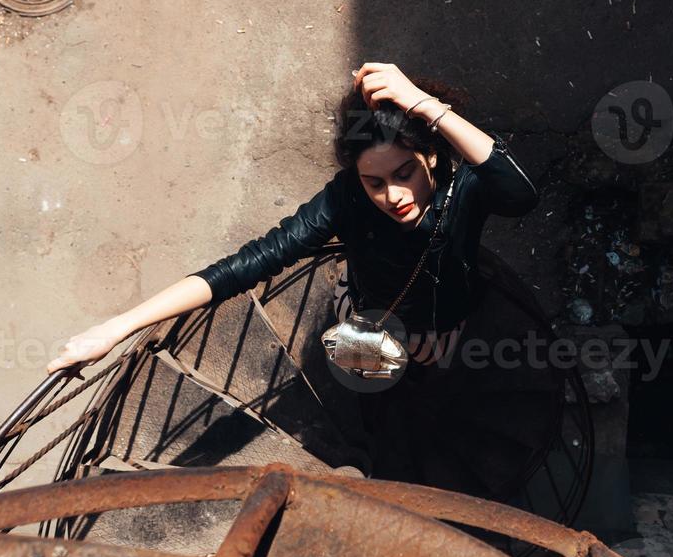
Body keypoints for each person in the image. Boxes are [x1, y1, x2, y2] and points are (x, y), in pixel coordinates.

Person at [47, 60, 540, 391]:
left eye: (404, 173)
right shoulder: (346, 198)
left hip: (447, 314)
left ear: (431, 155)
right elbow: (243, 267)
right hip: (371, 308)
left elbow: (521, 195)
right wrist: (116, 327)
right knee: (375, 381)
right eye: (374, 183)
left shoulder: (465, 187)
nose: (393, 197)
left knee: (436, 375)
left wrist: (425, 106)